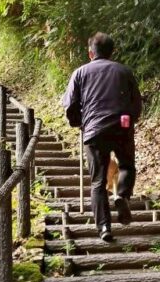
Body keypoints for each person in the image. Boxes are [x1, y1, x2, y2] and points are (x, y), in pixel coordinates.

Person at [61, 32, 143, 242]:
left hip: (94, 129)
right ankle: (122, 196)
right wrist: (129, 120)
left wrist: (79, 123)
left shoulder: (79, 73)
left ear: (91, 53)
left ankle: (104, 227)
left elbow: (70, 105)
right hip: (121, 125)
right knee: (126, 166)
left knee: (98, 181)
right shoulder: (124, 71)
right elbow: (136, 104)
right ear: (111, 52)